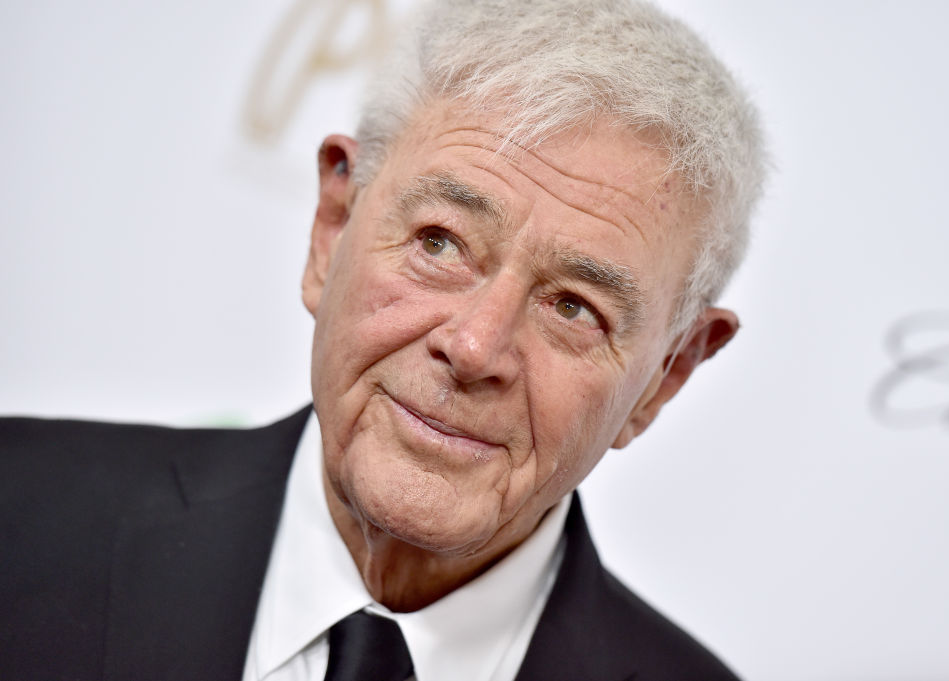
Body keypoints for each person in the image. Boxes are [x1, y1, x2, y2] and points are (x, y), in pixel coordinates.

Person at [0, 0, 766, 679]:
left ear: (666, 374)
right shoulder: (20, 512)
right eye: (440, 242)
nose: (473, 349)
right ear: (332, 228)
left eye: (573, 306)